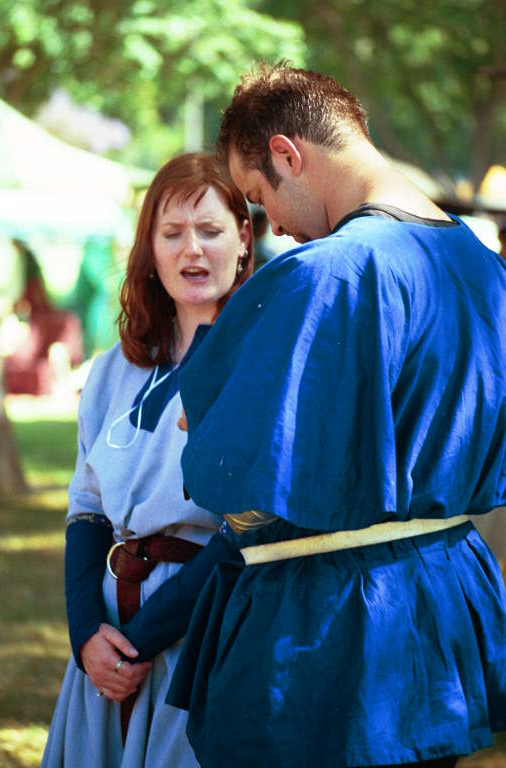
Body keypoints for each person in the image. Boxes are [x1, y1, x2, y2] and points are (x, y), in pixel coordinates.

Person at [163, 64, 506, 768]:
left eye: (260, 198)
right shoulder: (485, 268)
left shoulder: (324, 274)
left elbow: (234, 473)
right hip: (444, 605)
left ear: (290, 154)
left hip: (329, 635)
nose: (276, 228)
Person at [41, 152, 253, 768]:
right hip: (105, 649)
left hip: (197, 638)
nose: (193, 250)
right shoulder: (116, 369)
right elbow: (86, 509)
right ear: (150, 249)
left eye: (211, 231)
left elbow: (247, 525)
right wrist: (87, 636)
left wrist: (139, 644)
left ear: (243, 238)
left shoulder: (257, 358)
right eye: (173, 233)